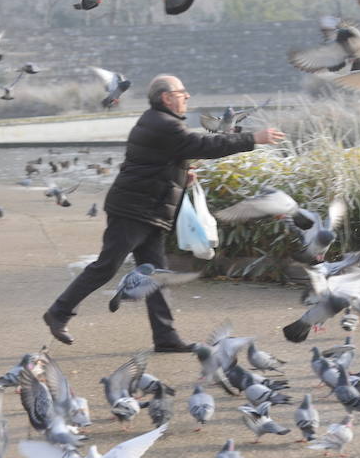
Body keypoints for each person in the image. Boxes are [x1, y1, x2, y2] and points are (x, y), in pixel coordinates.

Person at [43, 74, 285, 352]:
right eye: (182, 92)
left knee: (156, 276)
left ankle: (166, 337)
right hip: (133, 210)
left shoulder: (158, 121)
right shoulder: (164, 124)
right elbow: (203, 146)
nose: (187, 96)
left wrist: (182, 174)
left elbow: (161, 159)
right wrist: (252, 138)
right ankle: (58, 312)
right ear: (167, 98)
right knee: (107, 266)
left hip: (149, 210)